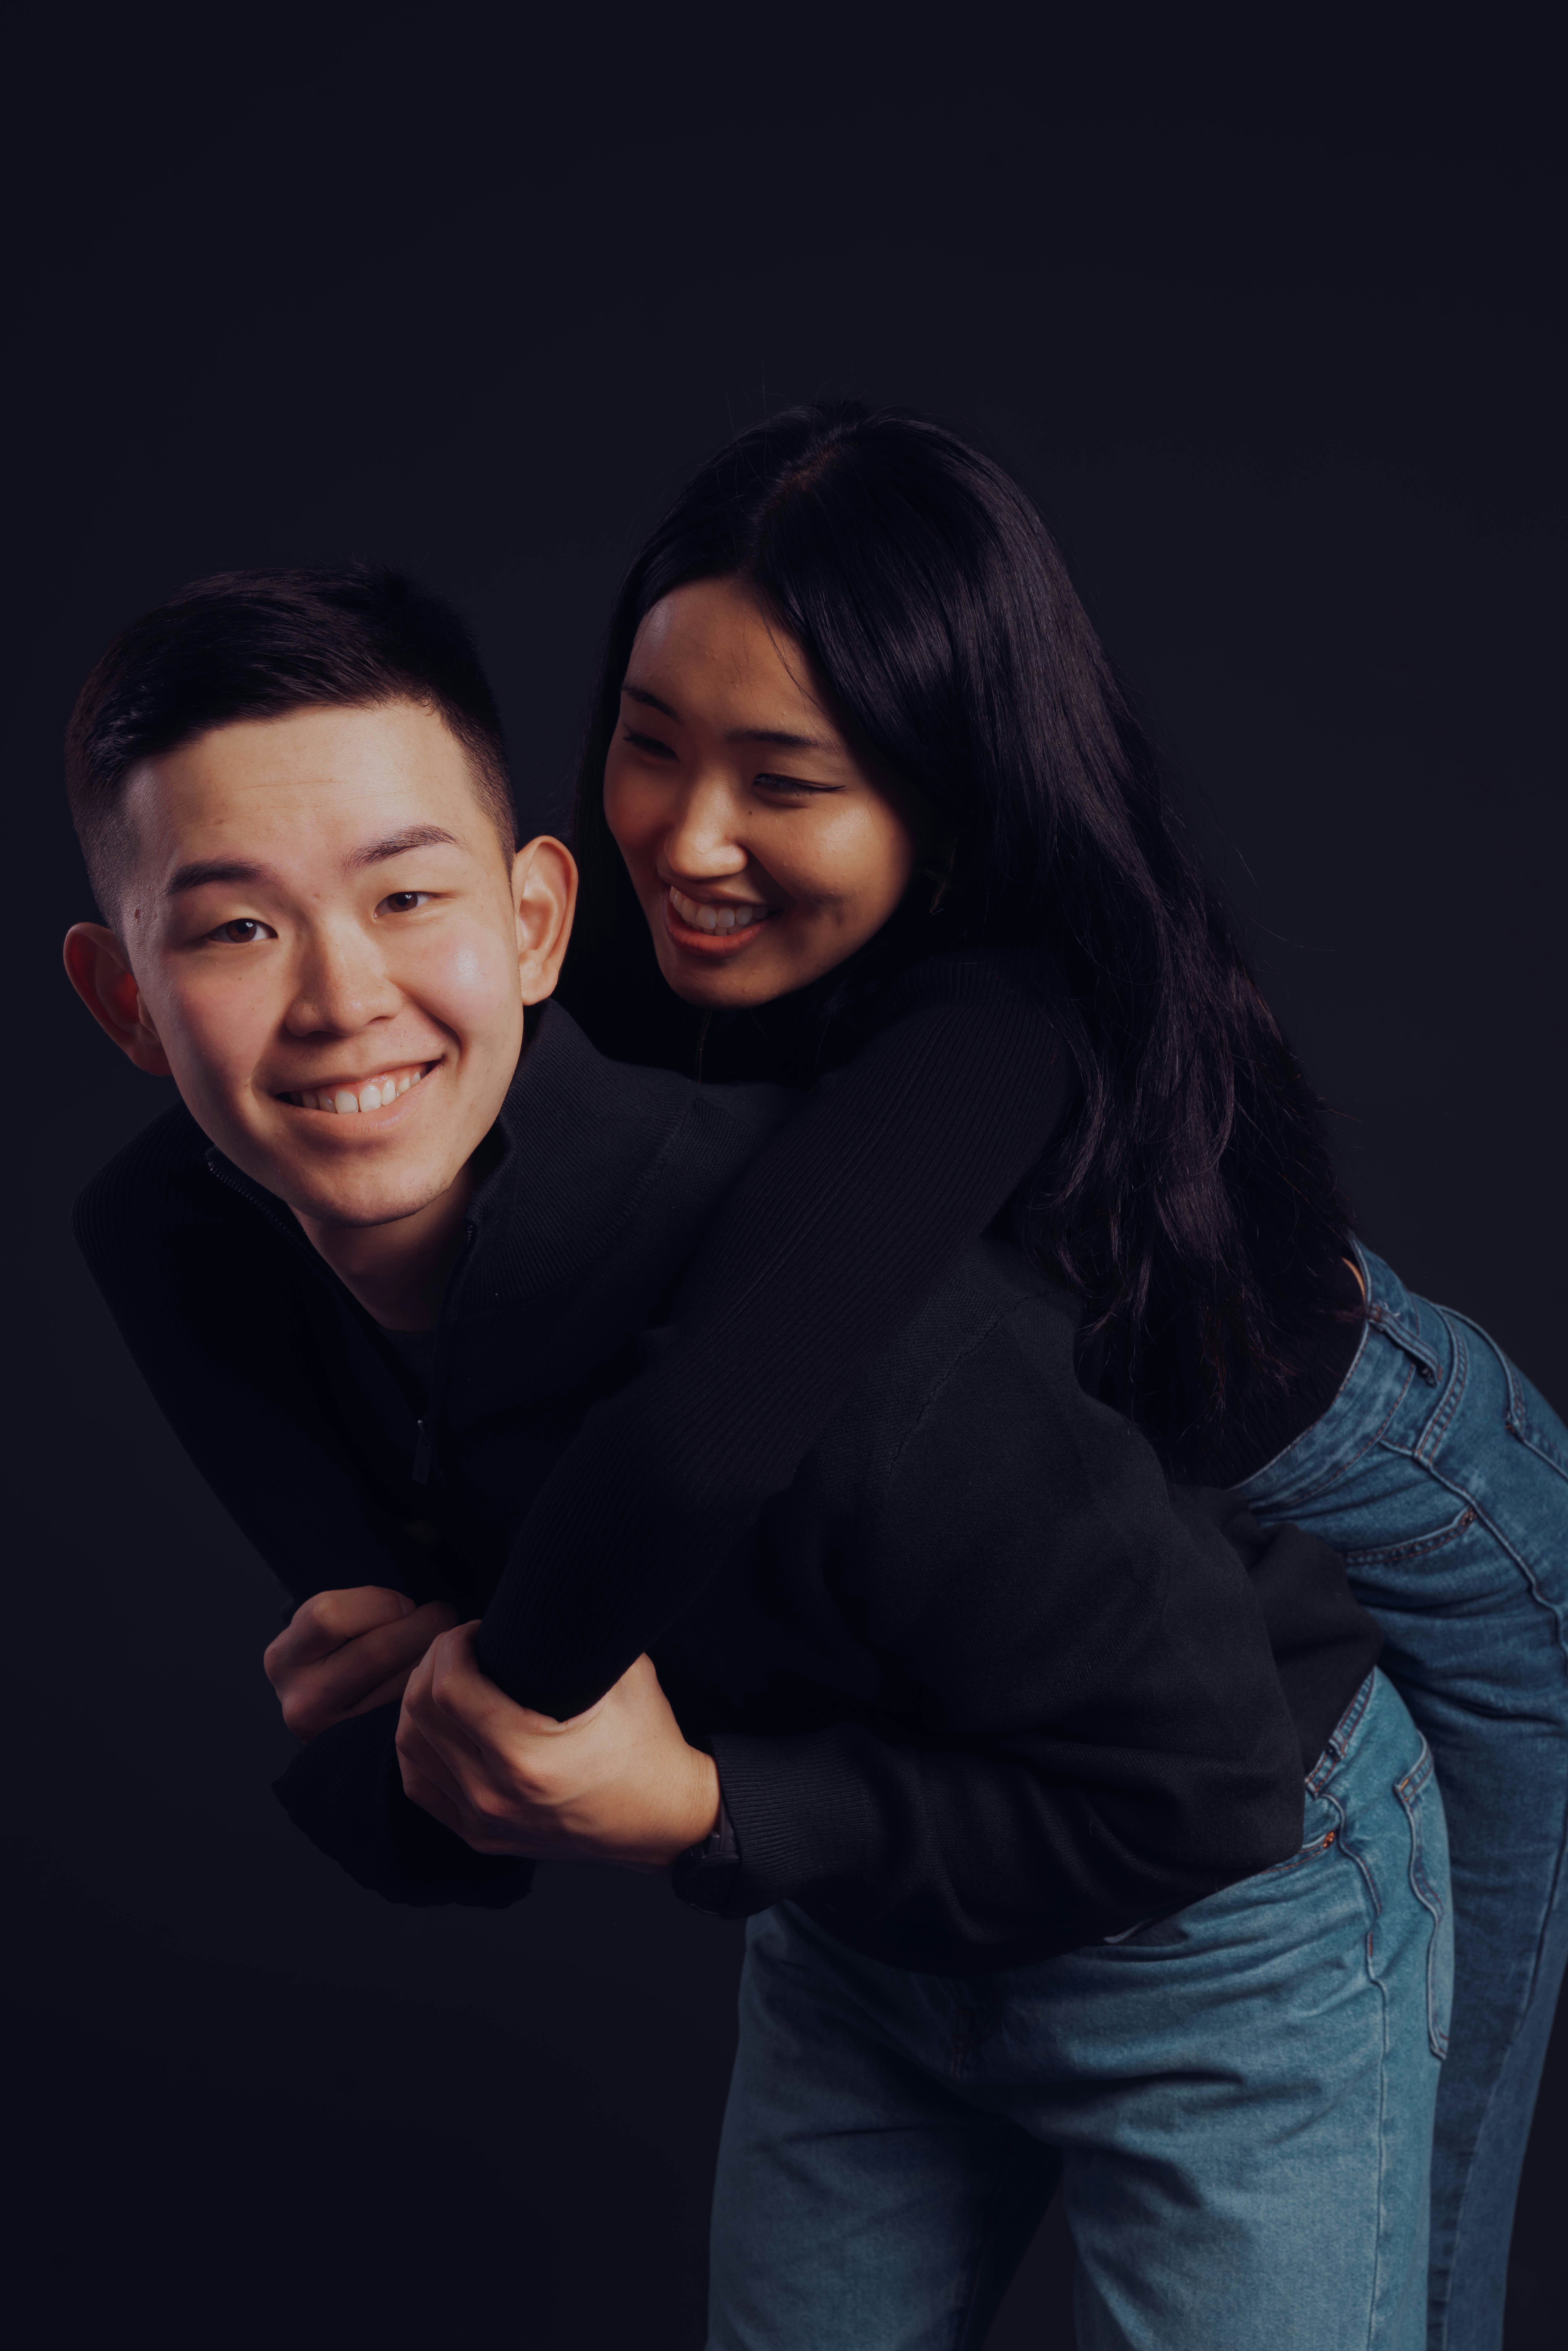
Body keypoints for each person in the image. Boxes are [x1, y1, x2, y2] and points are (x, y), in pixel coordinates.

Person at [60, 565, 1437, 2348]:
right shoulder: (202, 1253)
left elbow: (1203, 1786)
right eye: (236, 929)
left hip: (1224, 1890)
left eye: (407, 896)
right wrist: (454, 1702)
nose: (340, 997)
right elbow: (436, 1753)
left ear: (536, 922)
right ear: (124, 1001)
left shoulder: (856, 1325)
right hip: (858, 1909)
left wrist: (700, 1806)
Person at [441, 404, 1566, 2351]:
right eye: (648, 740)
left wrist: (501, 1688)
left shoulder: (1002, 1008)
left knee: (1440, 2153)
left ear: (947, 797)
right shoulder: (638, 943)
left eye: (784, 781)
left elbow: (708, 1428)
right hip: (1130, 1612)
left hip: (1423, 1500)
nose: (684, 836)